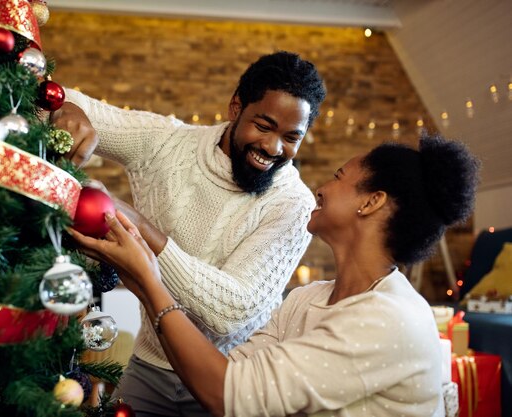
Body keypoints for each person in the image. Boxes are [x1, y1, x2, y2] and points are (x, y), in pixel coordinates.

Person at [68, 133, 480, 417]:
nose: (320, 188)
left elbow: (227, 396)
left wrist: (152, 281)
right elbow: (228, 372)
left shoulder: (389, 318)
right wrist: (141, 275)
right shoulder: (307, 299)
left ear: (371, 202)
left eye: (338, 177)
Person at [52, 51, 326, 415]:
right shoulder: (168, 143)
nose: (273, 148)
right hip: (149, 366)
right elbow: (65, 98)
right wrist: (66, 111)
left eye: (291, 137)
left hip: (234, 377)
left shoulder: (293, 204)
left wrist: (140, 227)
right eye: (263, 126)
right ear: (235, 107)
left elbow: (231, 311)